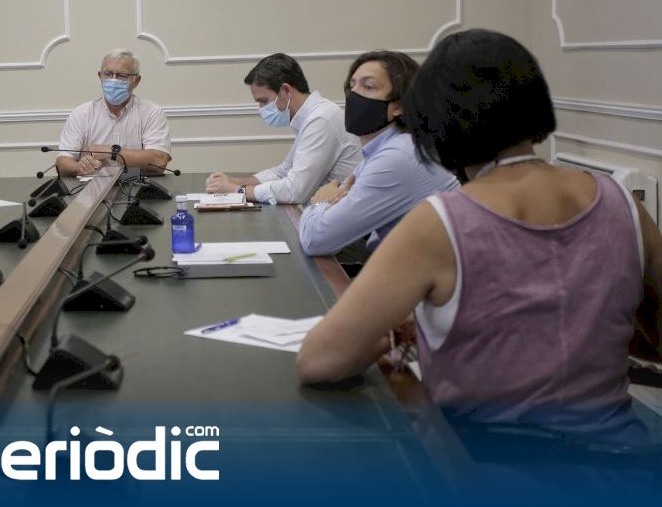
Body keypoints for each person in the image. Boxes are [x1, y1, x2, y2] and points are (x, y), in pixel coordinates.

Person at [297, 30, 662, 445]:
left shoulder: (440, 221)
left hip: (487, 464)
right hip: (625, 459)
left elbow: (319, 361)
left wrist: (398, 327)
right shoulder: (622, 201)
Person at [298, 51, 458, 258]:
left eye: (369, 86)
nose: (354, 94)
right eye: (352, 86)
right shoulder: (384, 150)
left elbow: (316, 239)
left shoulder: (398, 156)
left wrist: (319, 202)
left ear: (399, 106)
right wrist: (328, 205)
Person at [205, 53, 361, 204]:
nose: (261, 109)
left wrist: (237, 190)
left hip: (331, 215)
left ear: (286, 91)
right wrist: (235, 182)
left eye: (264, 101)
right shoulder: (311, 117)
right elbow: (283, 171)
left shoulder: (322, 120)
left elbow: (295, 191)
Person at [55, 48, 171, 176]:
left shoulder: (151, 112)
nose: (113, 80)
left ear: (136, 81)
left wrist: (110, 152)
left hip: (136, 185)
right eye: (108, 74)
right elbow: (62, 161)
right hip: (90, 185)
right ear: (100, 76)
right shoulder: (81, 114)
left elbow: (159, 160)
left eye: (122, 75)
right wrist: (79, 167)